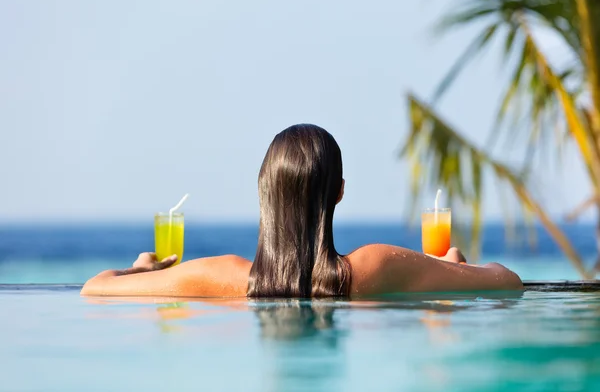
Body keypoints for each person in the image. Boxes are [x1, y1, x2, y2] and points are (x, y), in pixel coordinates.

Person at [81, 124, 522, 298]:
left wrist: (140, 270)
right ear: (340, 192)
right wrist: (449, 268)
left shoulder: (227, 277)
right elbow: (508, 281)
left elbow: (94, 289)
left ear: (263, 193)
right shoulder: (376, 267)